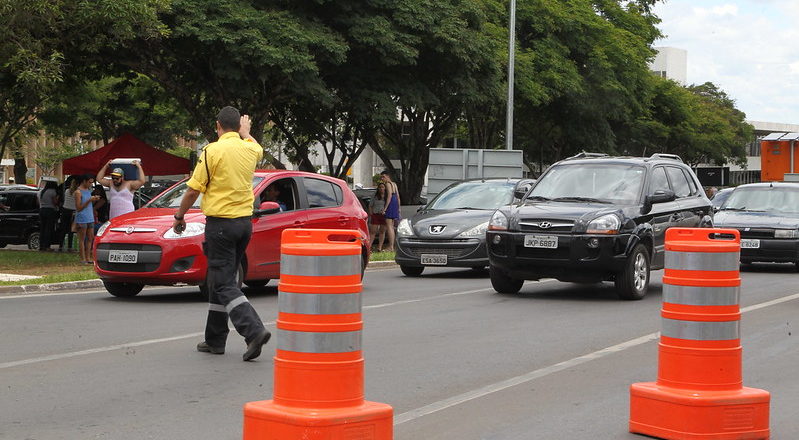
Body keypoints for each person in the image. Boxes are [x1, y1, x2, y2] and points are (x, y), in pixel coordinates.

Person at [172, 106, 271, 361]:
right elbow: (257, 148)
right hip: (244, 225)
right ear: (238, 127)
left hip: (221, 226)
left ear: (218, 125)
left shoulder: (212, 150)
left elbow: (194, 190)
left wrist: (179, 216)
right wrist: (246, 133)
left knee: (224, 282)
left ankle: (254, 330)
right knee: (220, 279)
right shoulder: (250, 148)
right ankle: (215, 339)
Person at [74, 175, 100, 264]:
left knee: (90, 238)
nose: (90, 184)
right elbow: (78, 208)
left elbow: (88, 204)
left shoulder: (88, 191)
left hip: (90, 217)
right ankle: (83, 258)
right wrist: (89, 200)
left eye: (92, 182)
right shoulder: (78, 192)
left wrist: (94, 199)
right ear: (84, 181)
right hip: (82, 218)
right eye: (89, 182)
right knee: (82, 239)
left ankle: (88, 257)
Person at [380, 170, 401, 253]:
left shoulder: (388, 184)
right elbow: (398, 197)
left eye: (383, 177)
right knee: (391, 226)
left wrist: (385, 209)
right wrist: (399, 208)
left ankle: (391, 246)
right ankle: (392, 245)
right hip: (395, 202)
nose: (382, 179)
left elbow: (389, 197)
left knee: (389, 227)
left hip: (391, 203)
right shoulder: (394, 184)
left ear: (387, 176)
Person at [57, 176, 78, 252]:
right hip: (73, 211)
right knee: (70, 230)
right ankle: (69, 246)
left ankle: (60, 245)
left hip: (65, 210)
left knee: (63, 229)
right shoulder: (77, 192)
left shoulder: (66, 191)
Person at [38, 181, 60, 251]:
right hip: (50, 210)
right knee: (49, 229)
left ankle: (41, 245)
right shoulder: (52, 191)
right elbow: (55, 202)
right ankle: (47, 246)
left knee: (42, 228)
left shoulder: (40, 192)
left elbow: (38, 202)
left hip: (41, 210)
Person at [368, 183, 388, 251]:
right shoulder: (375, 196)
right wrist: (371, 214)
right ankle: (369, 246)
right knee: (373, 231)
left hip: (383, 215)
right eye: (380, 187)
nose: (381, 189)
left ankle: (380, 247)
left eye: (383, 187)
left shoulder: (387, 196)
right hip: (375, 214)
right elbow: (370, 205)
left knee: (382, 231)